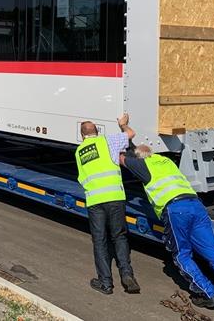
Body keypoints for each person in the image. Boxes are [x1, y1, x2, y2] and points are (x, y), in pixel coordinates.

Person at [119, 145, 214, 317]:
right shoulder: (166, 161)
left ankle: (205, 293)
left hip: (176, 210)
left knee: (181, 254)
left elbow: (120, 159)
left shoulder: (142, 164)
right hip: (196, 205)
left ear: (138, 159)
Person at [74, 113, 140, 295]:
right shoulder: (107, 141)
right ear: (97, 131)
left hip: (95, 200)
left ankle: (105, 283)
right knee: (119, 236)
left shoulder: (79, 152)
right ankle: (127, 275)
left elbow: (82, 178)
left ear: (82, 135)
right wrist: (123, 125)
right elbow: (131, 133)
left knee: (99, 240)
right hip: (115, 197)